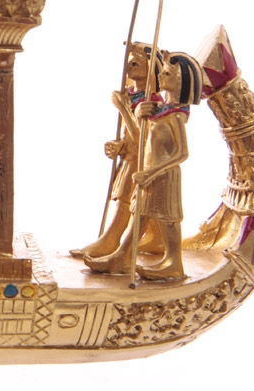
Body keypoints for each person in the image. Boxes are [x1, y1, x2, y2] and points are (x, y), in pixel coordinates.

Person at [84, 52, 203, 280]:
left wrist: (151, 172)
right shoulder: (160, 110)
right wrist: (137, 115)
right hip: (148, 173)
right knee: (139, 213)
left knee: (168, 220)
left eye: (167, 74)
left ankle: (174, 263)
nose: (161, 76)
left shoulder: (176, 116)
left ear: (181, 82)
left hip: (163, 175)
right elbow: (143, 139)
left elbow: (182, 153)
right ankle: (121, 257)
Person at [70, 43, 163, 259]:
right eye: (128, 61)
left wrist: (123, 108)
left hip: (143, 159)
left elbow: (144, 140)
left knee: (125, 199)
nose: (129, 66)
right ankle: (157, 238)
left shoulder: (152, 101)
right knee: (140, 202)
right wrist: (119, 145)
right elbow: (129, 134)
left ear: (151, 67)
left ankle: (111, 239)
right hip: (130, 155)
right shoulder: (130, 95)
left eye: (135, 62)